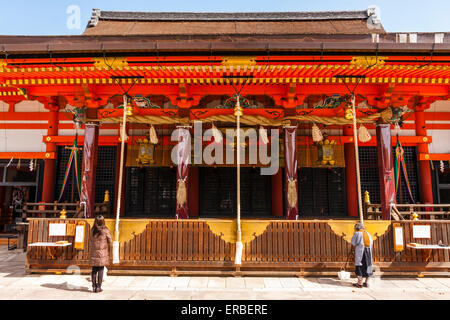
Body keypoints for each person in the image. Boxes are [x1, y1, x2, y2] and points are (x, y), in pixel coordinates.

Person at [89, 215, 112, 293]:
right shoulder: (105, 230)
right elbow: (110, 240)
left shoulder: (92, 230)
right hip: (102, 253)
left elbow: (90, 239)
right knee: (101, 269)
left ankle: (94, 286)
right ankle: (99, 287)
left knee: (94, 269)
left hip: (94, 252)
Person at [350, 222, 373, 288]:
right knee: (368, 265)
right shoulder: (367, 233)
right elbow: (371, 243)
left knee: (360, 265)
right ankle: (366, 282)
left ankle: (359, 283)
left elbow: (353, 242)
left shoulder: (357, 233)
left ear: (356, 228)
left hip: (361, 252)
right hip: (368, 252)